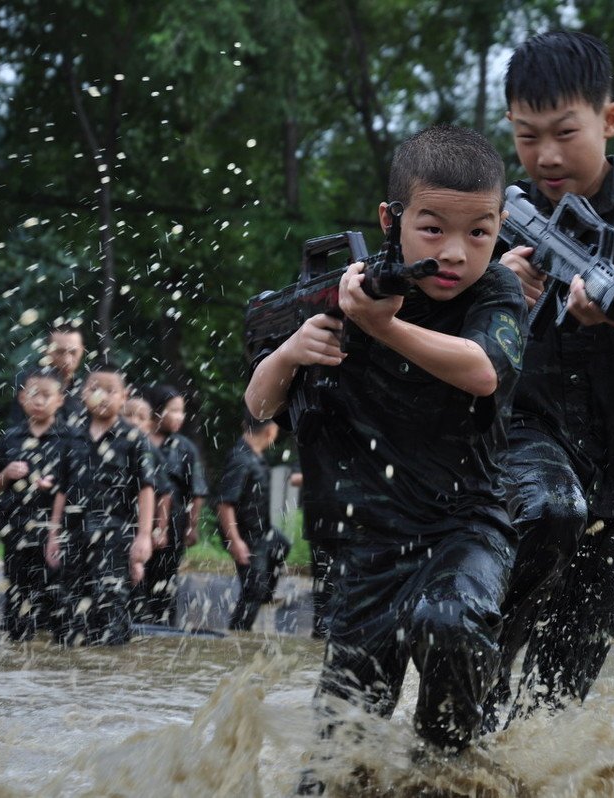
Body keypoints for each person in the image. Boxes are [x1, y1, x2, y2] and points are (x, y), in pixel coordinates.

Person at [244, 125, 527, 777]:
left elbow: (483, 369)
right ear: (391, 219)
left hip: (465, 526)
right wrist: (291, 351)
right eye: (432, 229)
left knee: (452, 623)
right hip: (363, 548)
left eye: (479, 233)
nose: (455, 252)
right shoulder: (341, 296)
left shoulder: (496, 293)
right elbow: (260, 406)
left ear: (499, 225)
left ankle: (445, 769)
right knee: (342, 750)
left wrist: (384, 327)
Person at [483, 30, 614, 727]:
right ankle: (467, 697)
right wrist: (494, 282)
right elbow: (433, 296)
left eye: (564, 133)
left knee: (555, 701)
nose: (546, 155)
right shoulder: (499, 207)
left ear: (609, 121)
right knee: (548, 511)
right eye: (526, 135)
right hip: (527, 441)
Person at [46, 366, 155, 646]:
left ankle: (111, 674)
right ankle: (69, 671)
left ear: (124, 397)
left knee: (111, 602)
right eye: (95, 389)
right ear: (83, 394)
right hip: (74, 531)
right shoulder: (71, 437)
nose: (102, 396)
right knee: (69, 602)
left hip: (115, 534)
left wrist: (143, 536)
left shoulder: (134, 439)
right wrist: (53, 534)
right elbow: (61, 488)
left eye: (110, 390)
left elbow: (146, 488)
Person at [0, 367, 72, 640]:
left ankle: (58, 657)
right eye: (33, 395)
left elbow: (77, 485)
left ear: (60, 399)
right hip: (15, 525)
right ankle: (17, 650)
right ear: (22, 398)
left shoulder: (71, 439)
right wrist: (7, 473)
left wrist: (55, 484)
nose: (39, 401)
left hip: (55, 529)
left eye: (46, 395)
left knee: (56, 591)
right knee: (16, 590)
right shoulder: (10, 437)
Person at [136, 384, 207, 626]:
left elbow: (197, 492)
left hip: (171, 526)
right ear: (156, 411)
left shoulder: (185, 448)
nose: (179, 417)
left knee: (164, 581)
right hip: (133, 522)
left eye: (182, 412)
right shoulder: (137, 441)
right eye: (173, 411)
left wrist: (191, 526)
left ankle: (164, 630)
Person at [215, 413, 288, 631]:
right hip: (245, 535)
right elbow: (224, 503)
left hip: (262, 531)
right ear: (270, 431)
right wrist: (235, 540)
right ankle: (237, 635)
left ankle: (264, 594)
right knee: (252, 590)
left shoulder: (255, 456)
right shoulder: (240, 458)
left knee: (281, 544)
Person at [10, 322, 87, 428]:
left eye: (73, 352)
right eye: (60, 352)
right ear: (47, 351)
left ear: (82, 351)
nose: (67, 360)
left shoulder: (85, 390)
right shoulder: (28, 383)